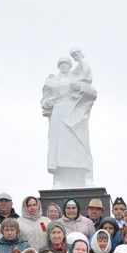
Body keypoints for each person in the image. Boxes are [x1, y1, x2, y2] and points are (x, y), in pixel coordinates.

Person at [42, 56, 97, 188]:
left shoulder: (76, 78)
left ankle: (86, 177)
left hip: (75, 112)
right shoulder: (52, 80)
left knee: (80, 144)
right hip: (58, 113)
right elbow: (45, 100)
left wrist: (79, 86)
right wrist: (47, 103)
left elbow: (90, 85)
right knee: (58, 147)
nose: (64, 66)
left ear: (70, 65)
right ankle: (59, 178)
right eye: (61, 64)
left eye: (66, 63)